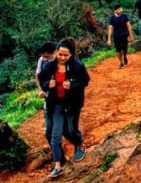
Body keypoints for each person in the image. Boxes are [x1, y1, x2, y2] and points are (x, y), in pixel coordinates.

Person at [38, 38, 90, 178]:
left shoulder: (77, 66)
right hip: (55, 104)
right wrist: (48, 84)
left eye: (65, 55)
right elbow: (42, 80)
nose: (62, 58)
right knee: (55, 134)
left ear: (71, 55)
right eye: (60, 54)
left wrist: (72, 85)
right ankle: (58, 165)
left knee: (71, 130)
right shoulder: (49, 66)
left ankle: (79, 144)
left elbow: (85, 81)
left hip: (72, 103)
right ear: (56, 52)